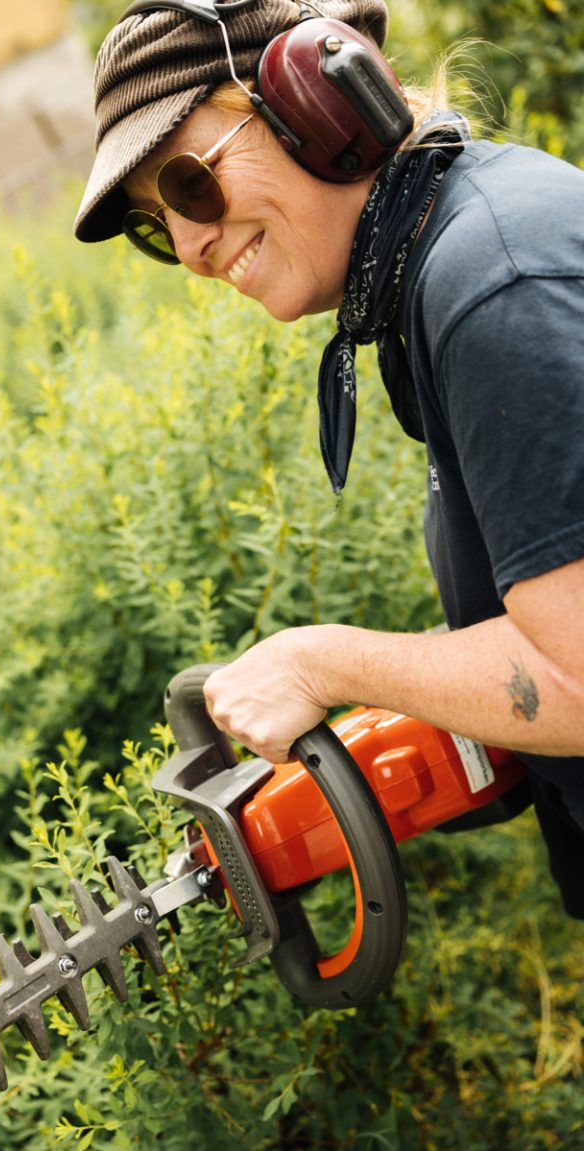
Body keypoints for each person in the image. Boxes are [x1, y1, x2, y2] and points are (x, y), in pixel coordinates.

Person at [74, 0, 584, 919]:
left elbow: (580, 675)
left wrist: (324, 662)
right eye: (160, 227)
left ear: (318, 101)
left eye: (189, 185)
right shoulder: (449, 260)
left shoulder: (492, 285)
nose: (190, 247)